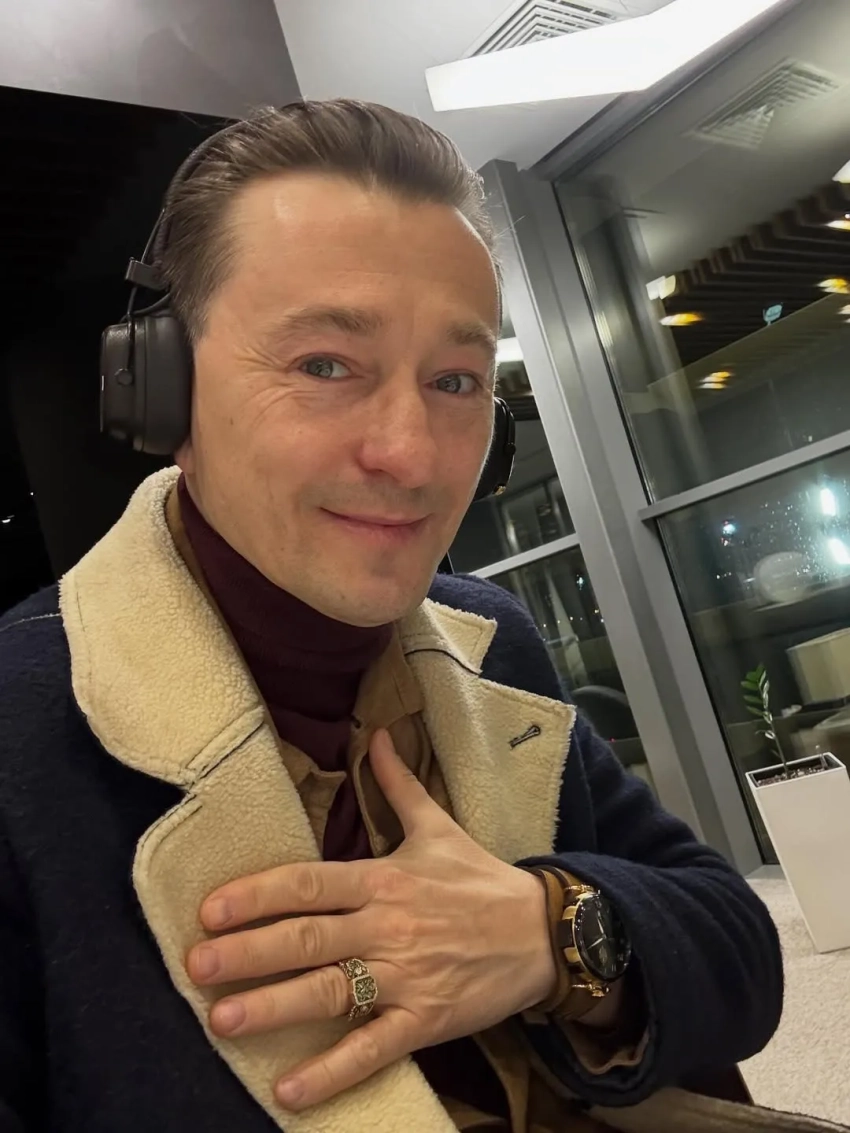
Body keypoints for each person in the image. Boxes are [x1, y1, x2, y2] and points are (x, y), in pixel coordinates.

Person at [0, 100, 784, 1133]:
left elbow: (742, 953)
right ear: (160, 394)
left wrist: (550, 931)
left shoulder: (486, 639)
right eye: (325, 365)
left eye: (455, 380)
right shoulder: (20, 732)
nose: (412, 455)